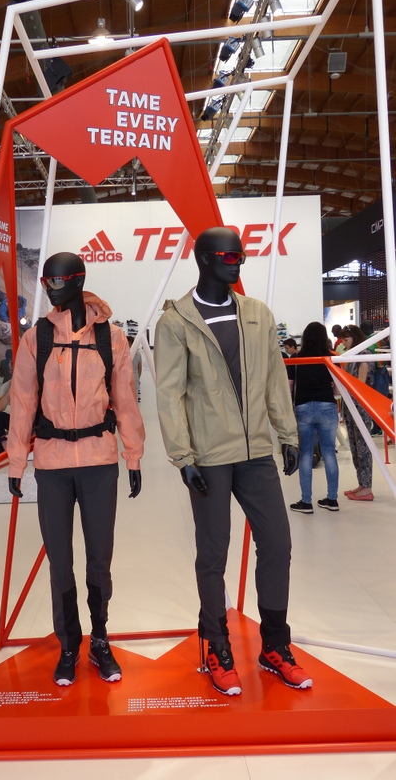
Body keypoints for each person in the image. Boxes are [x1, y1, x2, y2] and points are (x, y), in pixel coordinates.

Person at [155, 226, 311, 697]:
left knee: (277, 544)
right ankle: (216, 645)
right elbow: (169, 393)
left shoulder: (258, 315)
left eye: (240, 256)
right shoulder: (176, 322)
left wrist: (287, 434)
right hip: (209, 456)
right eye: (227, 256)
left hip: (256, 452)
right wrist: (183, 456)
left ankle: (275, 645)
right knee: (213, 552)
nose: (236, 263)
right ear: (203, 259)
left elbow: (274, 379)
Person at [6, 252, 145, 687]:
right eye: (45, 280)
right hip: (52, 465)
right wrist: (16, 460)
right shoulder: (37, 338)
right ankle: (69, 645)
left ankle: (100, 640)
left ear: (78, 281)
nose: (49, 287)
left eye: (57, 280)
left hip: (99, 463)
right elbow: (22, 402)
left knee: (99, 559)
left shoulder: (111, 338)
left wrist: (133, 454)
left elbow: (125, 400)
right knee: (60, 562)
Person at [289, 322, 340, 514]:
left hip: (303, 407)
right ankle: (332, 499)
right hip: (327, 406)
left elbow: (289, 386)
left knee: (305, 453)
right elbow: (337, 389)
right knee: (329, 453)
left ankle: (306, 501)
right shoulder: (331, 357)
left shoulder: (296, 358)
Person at [340, 325, 375, 501]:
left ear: (354, 337)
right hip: (351, 406)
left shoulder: (363, 355)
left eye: (346, 339)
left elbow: (360, 383)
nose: (343, 343)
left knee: (362, 447)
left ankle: (367, 487)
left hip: (360, 407)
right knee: (355, 446)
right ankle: (362, 483)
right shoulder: (352, 355)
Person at [360, 319, 390, 435]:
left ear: (364, 330)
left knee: (376, 400)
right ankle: (379, 426)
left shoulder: (370, 341)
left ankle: (379, 427)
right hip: (380, 371)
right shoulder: (378, 338)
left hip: (377, 372)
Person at [127, 335, 142, 402]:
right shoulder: (138, 354)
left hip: (126, 378)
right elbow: (140, 368)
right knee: (135, 399)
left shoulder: (124, 354)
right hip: (135, 377)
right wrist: (138, 378)